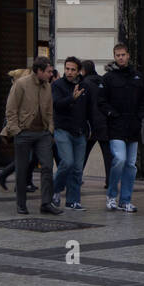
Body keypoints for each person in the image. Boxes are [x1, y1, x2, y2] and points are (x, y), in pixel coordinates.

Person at [3, 57, 60, 215]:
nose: (51, 74)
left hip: (43, 133)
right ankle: (21, 204)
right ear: (39, 71)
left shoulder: (47, 86)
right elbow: (11, 109)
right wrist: (16, 130)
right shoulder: (21, 84)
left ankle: (46, 203)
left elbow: (49, 110)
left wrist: (50, 129)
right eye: (48, 71)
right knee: (22, 169)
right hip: (24, 133)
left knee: (47, 167)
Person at [101, 43, 144, 212]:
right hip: (116, 126)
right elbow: (102, 101)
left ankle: (125, 200)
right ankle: (111, 196)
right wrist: (111, 114)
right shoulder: (108, 78)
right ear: (114, 57)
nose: (120, 57)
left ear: (128, 56)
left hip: (133, 127)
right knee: (119, 159)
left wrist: (140, 115)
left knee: (130, 165)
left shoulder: (137, 77)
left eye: (123, 54)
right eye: (117, 55)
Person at [51, 56, 89, 210]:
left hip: (80, 131)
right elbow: (57, 105)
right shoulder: (58, 85)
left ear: (79, 71)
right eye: (67, 69)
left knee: (78, 169)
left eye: (73, 69)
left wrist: (90, 128)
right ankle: (54, 190)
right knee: (67, 162)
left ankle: (73, 200)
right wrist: (71, 98)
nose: (69, 72)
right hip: (62, 129)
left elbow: (89, 108)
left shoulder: (84, 86)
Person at [0, 67, 38, 193]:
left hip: (28, 128)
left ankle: (22, 181)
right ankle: (9, 178)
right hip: (21, 128)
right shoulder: (18, 89)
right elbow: (12, 111)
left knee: (30, 158)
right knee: (25, 158)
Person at [78, 60, 112, 187]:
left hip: (91, 124)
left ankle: (76, 178)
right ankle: (109, 181)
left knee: (83, 154)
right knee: (108, 156)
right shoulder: (103, 81)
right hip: (104, 122)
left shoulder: (84, 83)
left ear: (84, 70)